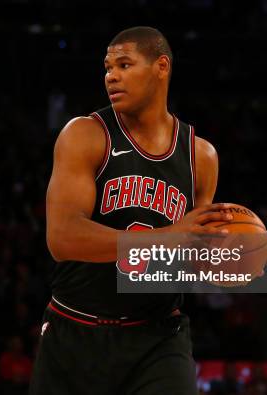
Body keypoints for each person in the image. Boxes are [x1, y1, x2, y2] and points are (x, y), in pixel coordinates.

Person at [30, 26, 236, 395]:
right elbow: (62, 238)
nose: (111, 75)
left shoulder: (201, 156)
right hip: (76, 328)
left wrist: (221, 256)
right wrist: (168, 238)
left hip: (158, 337)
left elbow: (190, 256)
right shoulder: (85, 134)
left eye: (125, 64)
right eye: (108, 67)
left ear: (161, 67)